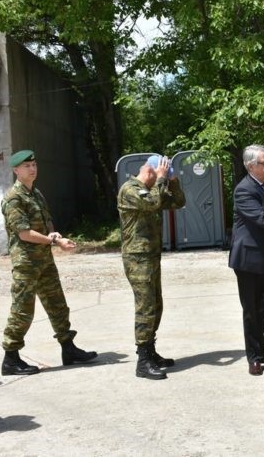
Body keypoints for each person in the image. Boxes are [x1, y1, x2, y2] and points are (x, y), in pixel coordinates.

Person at [0, 149, 97, 376]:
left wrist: (55, 235)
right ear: (16, 170)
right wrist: (53, 241)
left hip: (44, 259)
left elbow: (47, 222)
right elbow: (24, 233)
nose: (32, 169)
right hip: (26, 262)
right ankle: (10, 359)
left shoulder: (36, 194)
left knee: (57, 304)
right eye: (27, 166)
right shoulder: (13, 198)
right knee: (22, 310)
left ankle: (68, 349)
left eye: (34, 165)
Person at [118, 154, 186, 380]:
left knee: (156, 305)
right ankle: (143, 361)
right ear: (150, 172)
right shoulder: (130, 190)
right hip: (137, 258)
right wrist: (162, 179)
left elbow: (178, 202)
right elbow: (153, 203)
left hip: (151, 256)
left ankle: (151, 351)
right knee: (145, 307)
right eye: (160, 175)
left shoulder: (152, 189)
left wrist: (172, 181)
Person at [228, 145, 264, 376]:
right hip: (250, 260)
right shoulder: (244, 190)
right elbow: (263, 219)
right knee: (253, 310)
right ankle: (255, 357)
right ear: (251, 167)